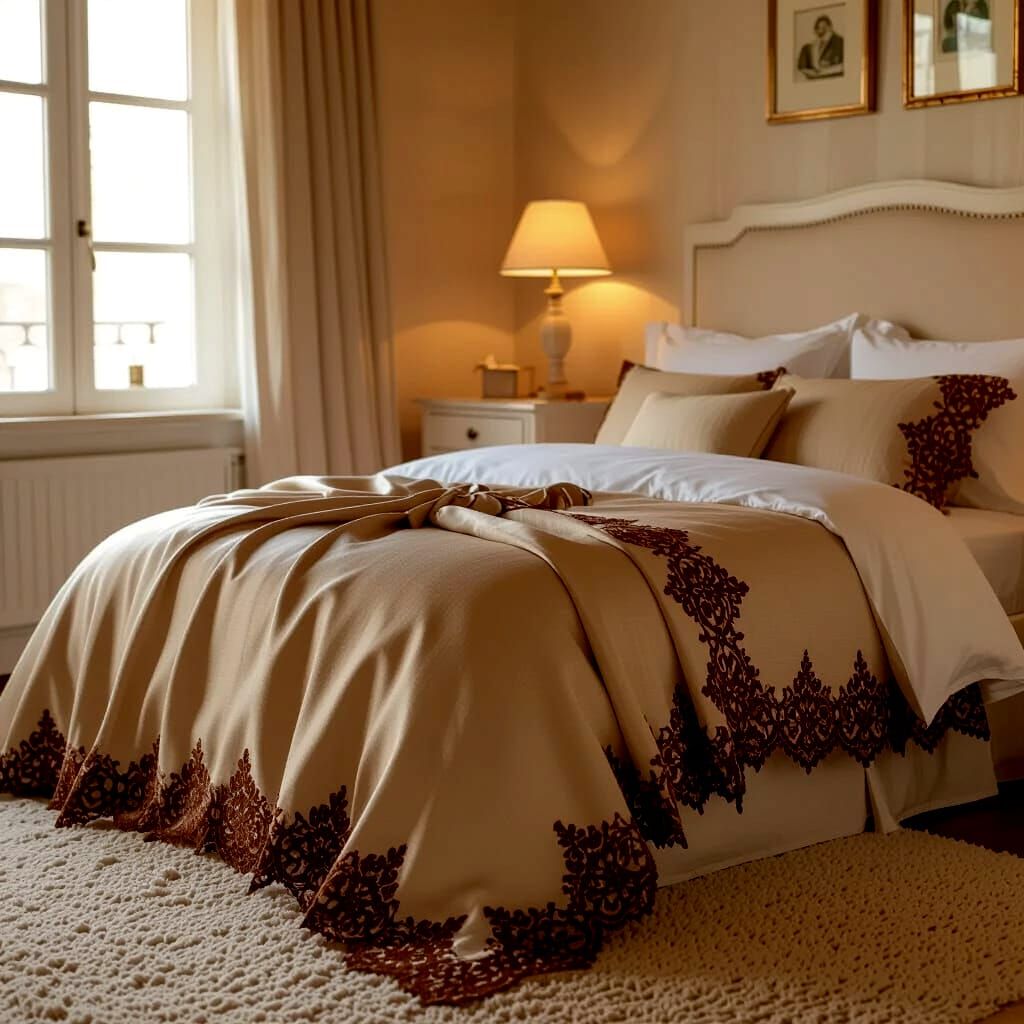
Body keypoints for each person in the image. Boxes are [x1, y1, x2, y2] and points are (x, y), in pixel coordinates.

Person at [797, 14, 844, 78]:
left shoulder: (840, 42)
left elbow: (844, 66)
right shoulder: (810, 47)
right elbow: (803, 68)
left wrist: (825, 70)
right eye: (818, 28)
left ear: (830, 27)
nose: (821, 31)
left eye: (824, 28)